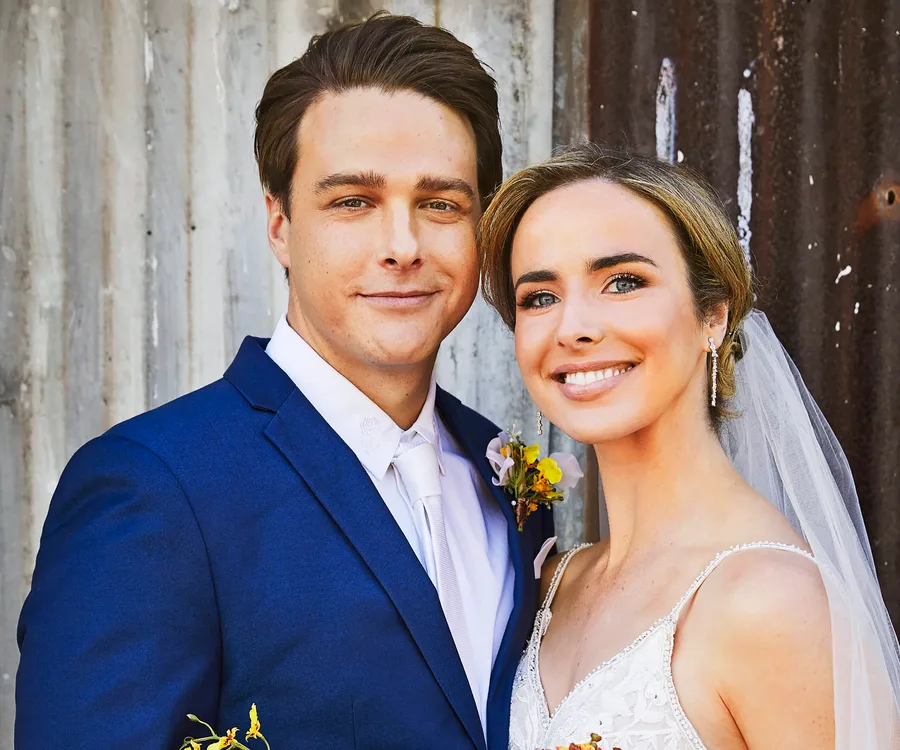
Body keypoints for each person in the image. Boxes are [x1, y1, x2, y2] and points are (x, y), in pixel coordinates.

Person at [15, 14, 553, 749]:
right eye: (352, 202)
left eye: (440, 204)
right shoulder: (153, 488)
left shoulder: (504, 472)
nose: (402, 246)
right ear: (279, 224)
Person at [478, 143, 900, 749]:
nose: (573, 327)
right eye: (539, 297)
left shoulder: (771, 601)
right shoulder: (554, 586)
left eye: (623, 282)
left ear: (713, 318)